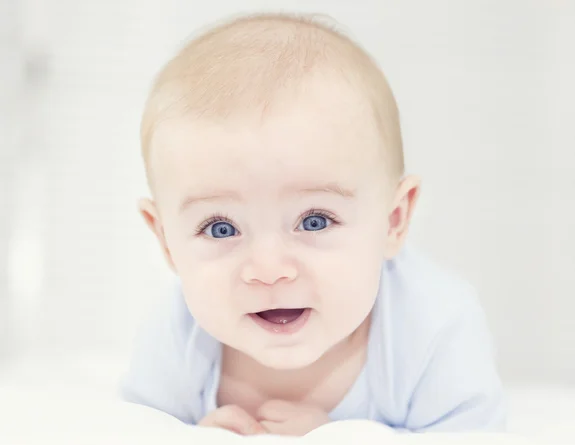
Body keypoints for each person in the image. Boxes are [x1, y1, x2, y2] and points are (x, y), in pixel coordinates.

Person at [120, 13, 506, 436]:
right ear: (166, 242)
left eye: (315, 221)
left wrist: (344, 436)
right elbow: (135, 430)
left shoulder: (434, 330)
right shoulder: (176, 340)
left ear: (392, 221)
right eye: (221, 228)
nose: (269, 269)